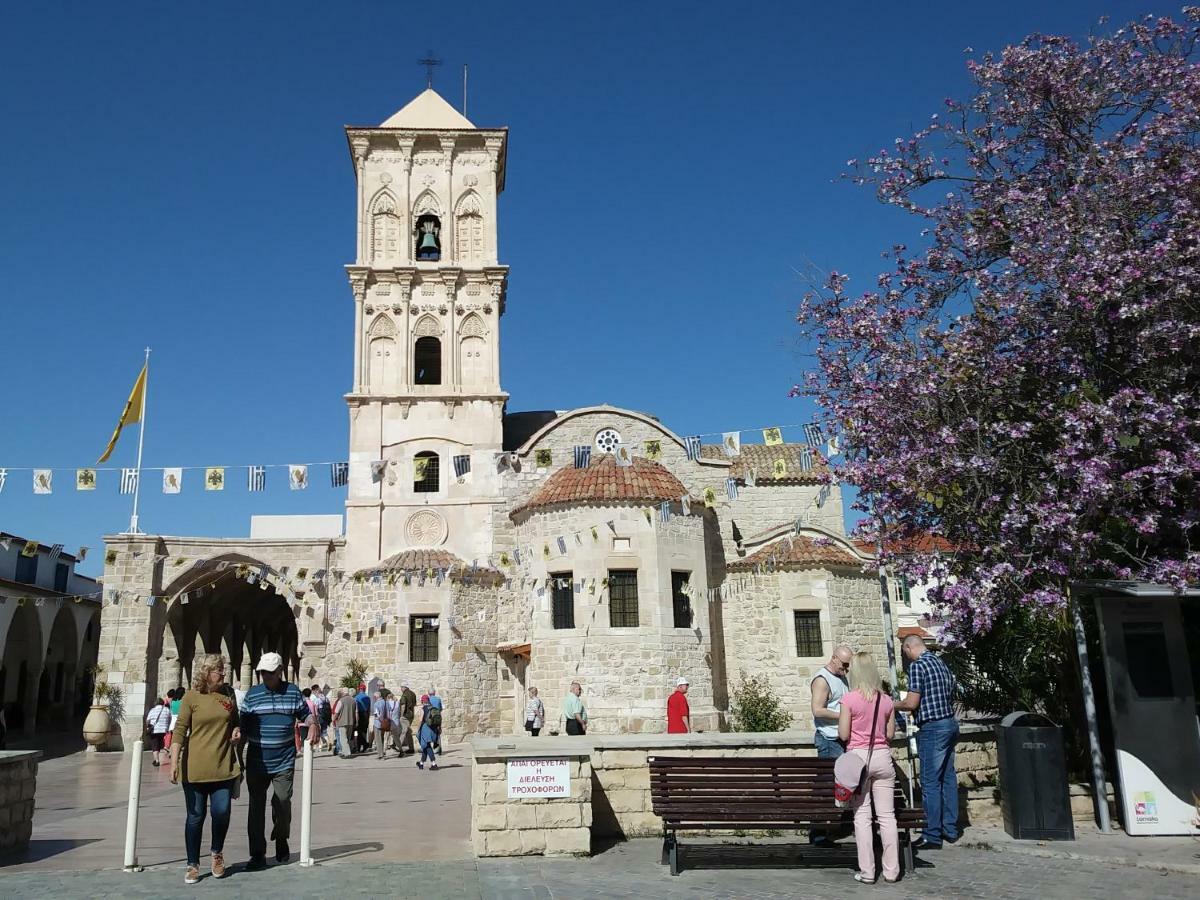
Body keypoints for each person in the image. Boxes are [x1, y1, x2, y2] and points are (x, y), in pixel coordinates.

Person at [238, 652, 318, 869]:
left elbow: (305, 714)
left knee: (282, 801)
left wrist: (312, 723)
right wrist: (237, 757)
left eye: (271, 673)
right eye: (263, 672)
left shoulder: (292, 692)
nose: (266, 676)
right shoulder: (253, 695)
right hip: (257, 760)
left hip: (284, 759)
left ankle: (281, 838)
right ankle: (257, 853)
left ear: (281, 672)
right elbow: (243, 726)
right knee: (256, 807)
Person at [169, 653, 241, 885]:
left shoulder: (228, 695)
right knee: (195, 817)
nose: (223, 672)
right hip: (195, 767)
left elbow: (235, 721)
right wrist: (173, 761)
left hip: (223, 765)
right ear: (206, 673)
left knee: (222, 812)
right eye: (218, 669)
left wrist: (237, 731)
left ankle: (216, 853)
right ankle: (192, 864)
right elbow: (180, 730)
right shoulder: (191, 697)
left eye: (223, 669)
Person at [838, 651, 899, 884]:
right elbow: (891, 734)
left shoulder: (849, 699)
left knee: (862, 816)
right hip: (882, 756)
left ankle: (868, 872)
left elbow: (844, 734)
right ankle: (892, 871)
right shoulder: (886, 700)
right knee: (887, 816)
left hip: (858, 759)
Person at [896, 635, 960, 849]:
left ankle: (931, 835)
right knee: (947, 778)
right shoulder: (941, 663)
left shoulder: (918, 666)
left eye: (905, 652)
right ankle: (950, 829)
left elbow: (912, 702)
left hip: (932, 727)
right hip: (950, 723)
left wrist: (891, 704)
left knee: (930, 781)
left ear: (908, 647)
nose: (906, 656)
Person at [809, 644, 853, 844]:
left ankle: (841, 826)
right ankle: (818, 832)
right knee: (826, 787)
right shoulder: (822, 680)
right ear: (834, 658)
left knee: (843, 785)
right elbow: (818, 710)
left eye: (848, 665)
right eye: (844, 664)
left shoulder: (841, 677)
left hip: (840, 738)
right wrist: (843, 716)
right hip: (828, 739)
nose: (846, 669)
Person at [146, 698, 172, 767]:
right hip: (163, 730)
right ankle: (164, 753)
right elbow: (170, 719)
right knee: (160, 744)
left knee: (155, 745)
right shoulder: (167, 710)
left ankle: (156, 760)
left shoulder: (152, 710)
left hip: (154, 730)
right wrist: (167, 727)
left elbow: (148, 720)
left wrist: (148, 727)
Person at [372, 689, 397, 760]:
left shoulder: (376, 704)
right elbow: (389, 712)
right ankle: (382, 752)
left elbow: (376, 714)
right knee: (382, 738)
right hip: (386, 723)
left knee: (378, 739)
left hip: (378, 723)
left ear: (376, 697)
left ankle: (380, 755)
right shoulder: (386, 702)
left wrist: (380, 720)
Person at [416, 694, 439, 770]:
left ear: (422, 701)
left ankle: (434, 764)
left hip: (426, 729)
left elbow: (420, 720)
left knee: (427, 746)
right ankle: (421, 763)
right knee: (426, 746)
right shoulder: (433, 708)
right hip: (433, 729)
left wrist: (418, 729)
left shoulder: (423, 709)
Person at [396, 682, 417, 755]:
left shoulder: (404, 695)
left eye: (401, 687)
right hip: (411, 715)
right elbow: (414, 705)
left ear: (405, 687)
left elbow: (403, 706)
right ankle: (411, 748)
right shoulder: (413, 694)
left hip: (405, 716)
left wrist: (401, 715)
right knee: (408, 732)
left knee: (404, 731)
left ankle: (399, 747)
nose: (401, 689)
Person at [333, 688, 354, 758]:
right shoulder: (353, 700)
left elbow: (336, 712)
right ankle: (345, 751)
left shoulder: (341, 701)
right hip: (351, 721)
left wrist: (333, 719)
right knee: (347, 738)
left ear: (343, 693)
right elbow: (356, 712)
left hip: (342, 721)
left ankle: (347, 753)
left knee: (343, 738)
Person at [354, 684, 370, 753]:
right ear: (365, 689)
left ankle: (361, 745)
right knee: (364, 731)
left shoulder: (356, 697)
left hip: (359, 714)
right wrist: (368, 717)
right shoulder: (368, 697)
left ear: (359, 689)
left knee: (358, 732)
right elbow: (369, 708)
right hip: (366, 714)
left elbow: (355, 708)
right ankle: (364, 746)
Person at [429, 688, 443, 752]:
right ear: (434, 693)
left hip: (430, 718)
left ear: (429, 693)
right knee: (438, 732)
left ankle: (429, 748)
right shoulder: (438, 699)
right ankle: (438, 747)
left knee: (430, 731)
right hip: (438, 717)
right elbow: (440, 709)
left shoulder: (428, 699)